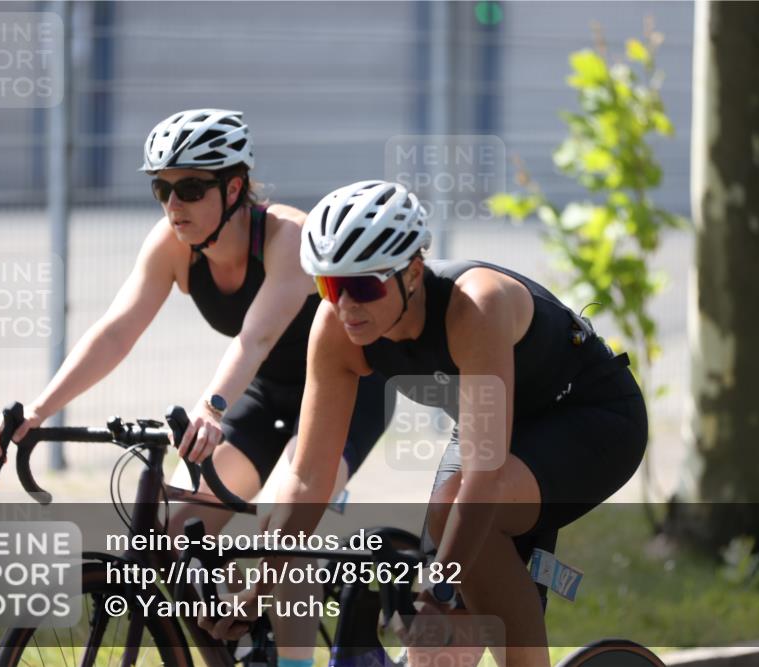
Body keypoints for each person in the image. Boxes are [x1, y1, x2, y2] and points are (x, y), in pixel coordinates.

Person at [0, 111, 391, 667]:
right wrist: (36, 411)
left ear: (234, 187)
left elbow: (256, 337)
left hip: (344, 390)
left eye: (191, 188)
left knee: (282, 533)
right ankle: (242, 640)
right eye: (161, 188)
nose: (173, 205)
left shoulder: (288, 237)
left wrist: (209, 407)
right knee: (174, 532)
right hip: (268, 393)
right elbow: (116, 331)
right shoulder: (173, 244)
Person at [199, 180, 649, 667]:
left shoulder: (475, 306)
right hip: (493, 429)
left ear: (413, 272)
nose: (346, 305)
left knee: (463, 526)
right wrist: (260, 587)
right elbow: (309, 478)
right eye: (329, 286)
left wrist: (439, 585)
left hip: (591, 417)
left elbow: (483, 479)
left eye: (364, 285)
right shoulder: (335, 329)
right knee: (435, 649)